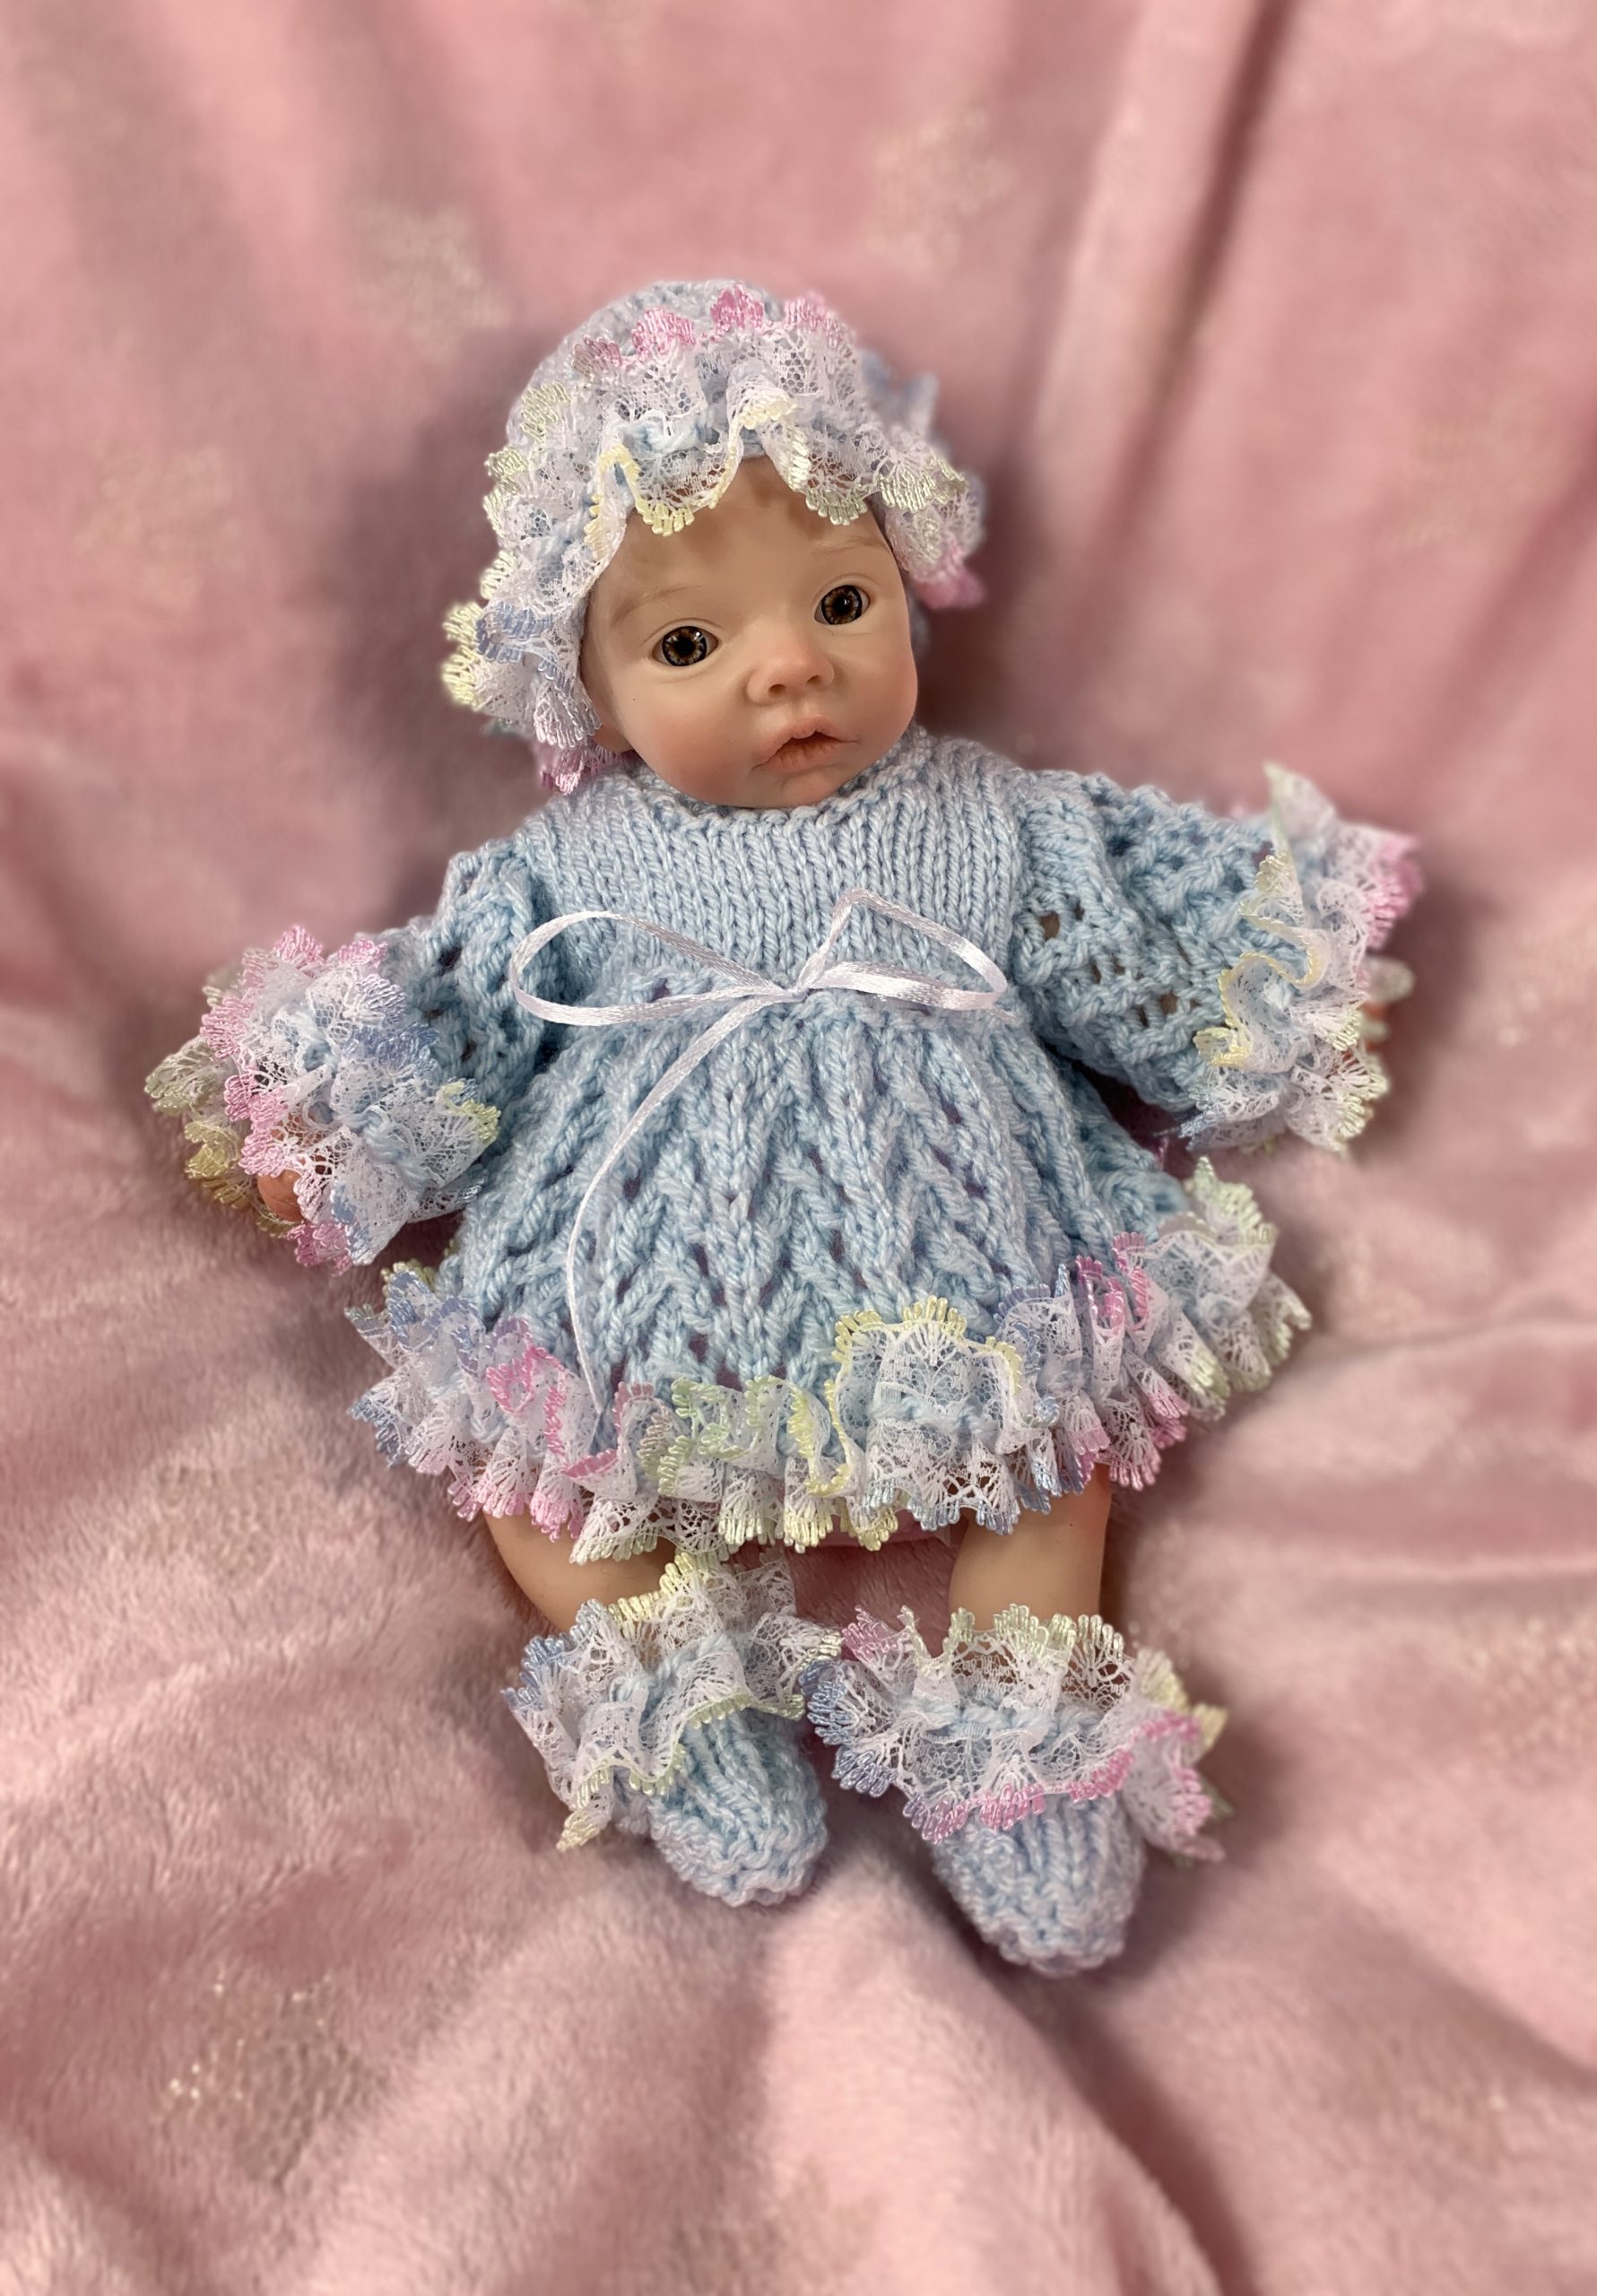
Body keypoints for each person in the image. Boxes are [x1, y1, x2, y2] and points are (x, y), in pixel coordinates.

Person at [147, 279, 1419, 1975]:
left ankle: (1020, 1727)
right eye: (690, 645)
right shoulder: (571, 869)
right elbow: (451, 1008)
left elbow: (1132, 919)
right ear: (588, 693)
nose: (791, 664)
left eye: (840, 600)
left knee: (1051, 1475)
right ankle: (670, 1682)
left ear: (907, 582)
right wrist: (317, 1113)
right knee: (538, 1473)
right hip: (643, 1271)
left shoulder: (989, 818)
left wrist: (1265, 963)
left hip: (969, 1251)